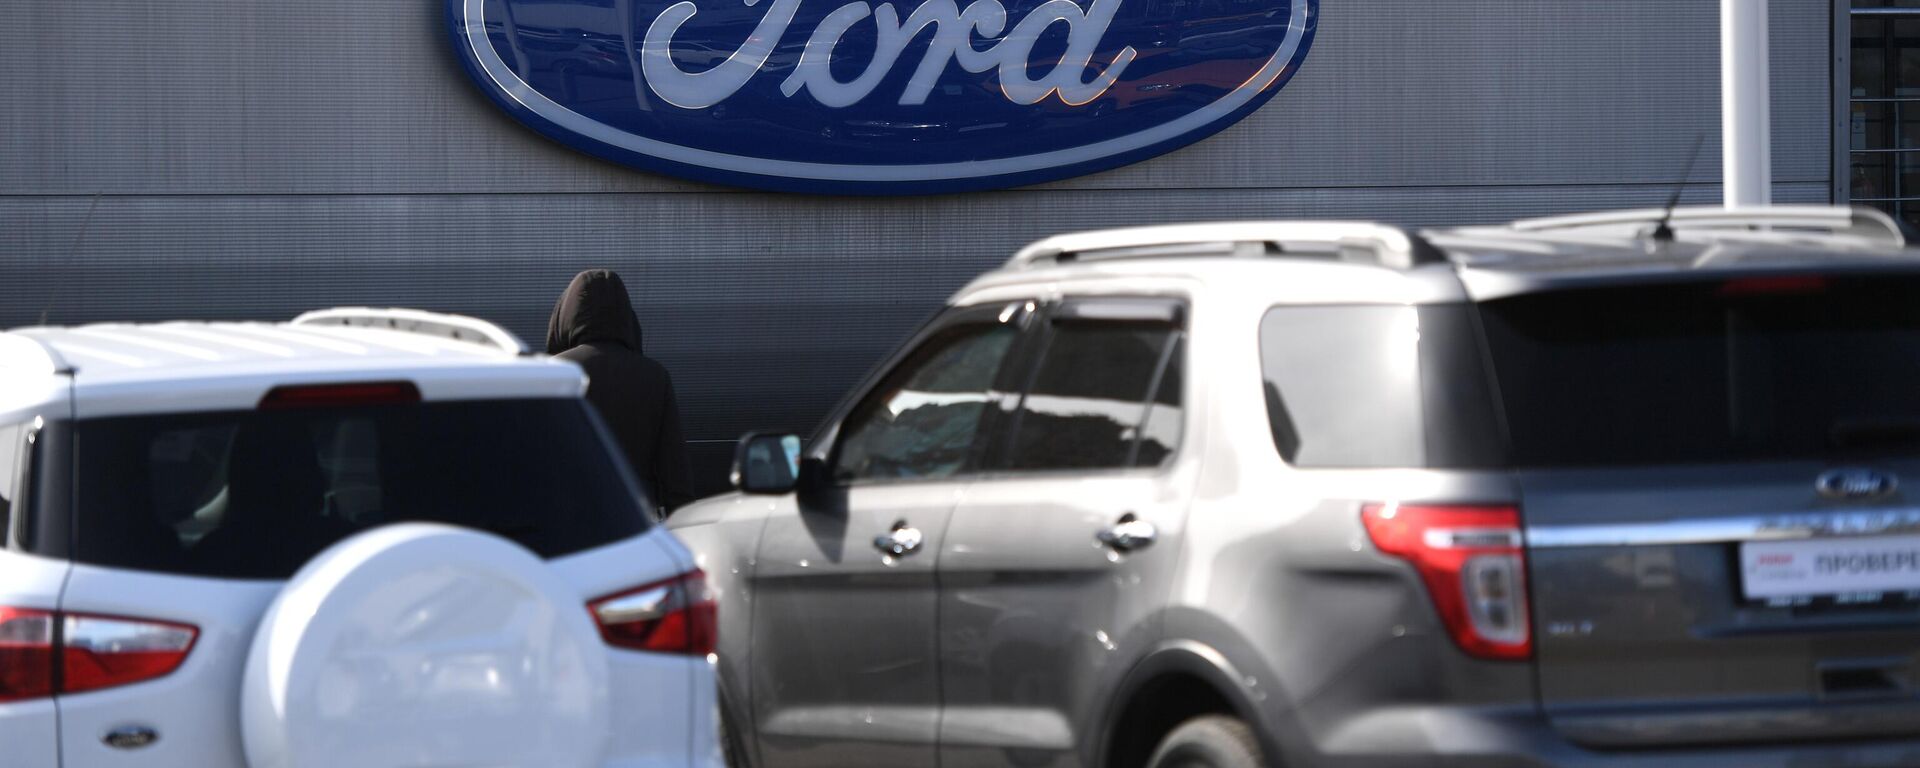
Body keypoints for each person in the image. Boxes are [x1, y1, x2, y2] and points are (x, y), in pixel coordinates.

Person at [546, 270, 696, 513]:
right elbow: (675, 471)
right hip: (634, 520)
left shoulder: (552, 373)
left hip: (567, 517)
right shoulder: (655, 376)